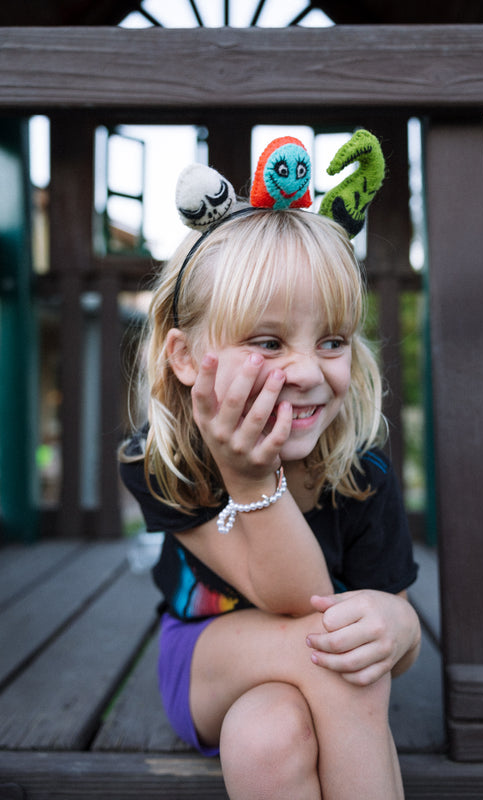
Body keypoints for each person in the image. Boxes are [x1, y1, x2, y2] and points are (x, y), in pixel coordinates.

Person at [120, 138, 420, 800]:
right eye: (267, 342)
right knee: (331, 651)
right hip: (207, 654)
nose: (309, 373)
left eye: (332, 341)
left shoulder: (358, 474)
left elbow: (388, 630)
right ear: (186, 356)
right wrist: (250, 480)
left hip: (312, 667)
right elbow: (296, 603)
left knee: (267, 737)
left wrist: (401, 629)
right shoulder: (163, 462)